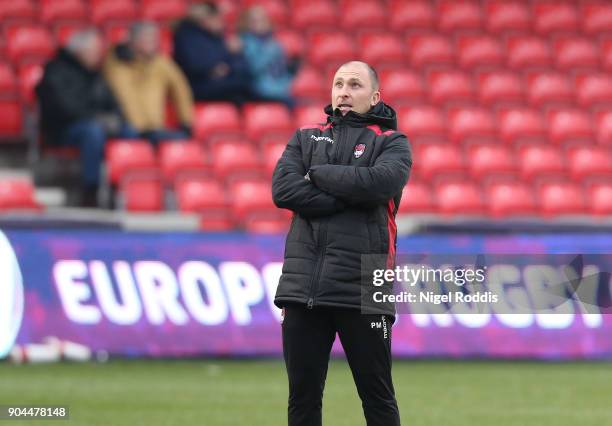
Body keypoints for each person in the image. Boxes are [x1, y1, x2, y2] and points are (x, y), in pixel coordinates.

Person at [272, 61, 412, 426]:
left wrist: (316, 175)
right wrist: (350, 191)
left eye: (355, 84)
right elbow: (284, 190)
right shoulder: (305, 136)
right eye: (338, 84)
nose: (344, 91)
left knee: (378, 395)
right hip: (304, 286)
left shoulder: (393, 142)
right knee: (302, 399)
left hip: (369, 284)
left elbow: (380, 184)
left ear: (375, 97)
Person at [36, 29, 136, 207]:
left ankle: (123, 187)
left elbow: (114, 103)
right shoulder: (56, 71)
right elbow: (63, 109)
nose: (98, 55)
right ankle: (91, 189)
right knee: (92, 132)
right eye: (94, 50)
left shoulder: (96, 74)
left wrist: (114, 119)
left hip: (95, 123)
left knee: (129, 130)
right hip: (63, 130)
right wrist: (97, 119)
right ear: (79, 51)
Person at [104, 21, 194, 145]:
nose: (152, 43)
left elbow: (181, 89)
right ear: (133, 40)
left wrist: (186, 122)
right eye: (147, 39)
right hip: (128, 129)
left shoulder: (161, 63)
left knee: (183, 142)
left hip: (155, 128)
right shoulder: (117, 63)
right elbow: (123, 96)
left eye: (154, 39)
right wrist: (140, 128)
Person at [173, 2, 252, 104]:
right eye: (215, 18)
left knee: (244, 83)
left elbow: (239, 64)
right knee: (239, 86)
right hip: (198, 85)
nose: (220, 22)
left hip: (221, 82)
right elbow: (193, 65)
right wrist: (212, 69)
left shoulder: (219, 37)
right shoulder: (186, 36)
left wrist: (228, 65)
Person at [238, 6, 299, 108]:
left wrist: (292, 69)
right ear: (247, 24)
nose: (261, 23)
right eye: (255, 20)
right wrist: (269, 52)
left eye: (263, 19)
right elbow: (252, 69)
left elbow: (280, 70)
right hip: (260, 92)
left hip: (281, 90)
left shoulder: (274, 42)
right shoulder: (246, 42)